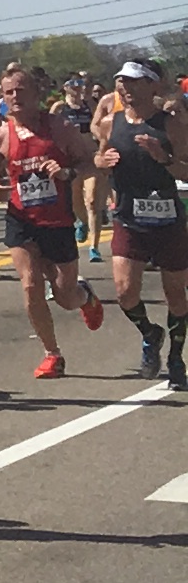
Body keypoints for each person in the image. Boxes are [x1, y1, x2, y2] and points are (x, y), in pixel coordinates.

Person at [0, 66, 98, 379]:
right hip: (21, 220)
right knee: (31, 285)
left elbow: (89, 163)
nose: (15, 97)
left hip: (57, 220)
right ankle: (52, 354)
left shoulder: (60, 128)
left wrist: (66, 173)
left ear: (37, 94)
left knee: (65, 296)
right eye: (9, 92)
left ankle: (85, 295)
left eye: (21, 91)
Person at [97, 60, 187, 388]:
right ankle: (150, 333)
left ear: (153, 86)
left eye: (134, 82)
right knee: (124, 291)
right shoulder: (111, 122)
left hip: (167, 220)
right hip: (129, 218)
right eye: (122, 81)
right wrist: (103, 161)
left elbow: (186, 169)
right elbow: (98, 157)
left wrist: (163, 158)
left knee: (175, 293)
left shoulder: (171, 125)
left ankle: (176, 358)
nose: (126, 88)